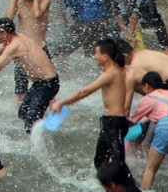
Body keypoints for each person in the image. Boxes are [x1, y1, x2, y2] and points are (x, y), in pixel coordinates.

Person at [0, 18, 60, 133]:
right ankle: (43, 129)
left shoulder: (14, 46)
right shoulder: (14, 38)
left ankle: (42, 147)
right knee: (23, 113)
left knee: (31, 122)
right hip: (40, 83)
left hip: (48, 84)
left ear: (4, 33)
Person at [50, 38, 128, 168]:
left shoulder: (111, 73)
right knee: (100, 160)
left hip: (115, 122)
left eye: (96, 53)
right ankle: (109, 186)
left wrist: (62, 103)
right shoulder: (113, 71)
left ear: (105, 56)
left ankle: (129, 187)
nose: (94, 56)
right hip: (109, 122)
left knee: (118, 162)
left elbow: (84, 91)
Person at [5, 0, 51, 103]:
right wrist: (13, 1)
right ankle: (17, 115)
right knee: (20, 89)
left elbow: (38, 15)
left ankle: (49, 114)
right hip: (22, 51)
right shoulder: (20, 0)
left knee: (47, 85)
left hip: (39, 48)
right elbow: (8, 20)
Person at [119, 39, 168, 115]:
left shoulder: (135, 65)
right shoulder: (145, 52)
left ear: (125, 56)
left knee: (134, 82)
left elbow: (151, 87)